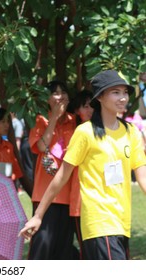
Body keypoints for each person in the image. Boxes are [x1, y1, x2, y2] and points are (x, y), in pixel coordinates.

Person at [20, 70, 146, 260]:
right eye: (115, 92)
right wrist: (38, 215)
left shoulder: (132, 133)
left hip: (122, 222)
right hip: (98, 222)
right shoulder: (85, 133)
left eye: (125, 92)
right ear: (100, 97)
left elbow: (142, 176)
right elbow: (61, 176)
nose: (122, 98)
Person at [27, 80, 77, 259]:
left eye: (63, 92)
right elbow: (41, 146)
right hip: (44, 196)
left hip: (69, 196)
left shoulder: (75, 121)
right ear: (47, 99)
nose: (60, 96)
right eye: (55, 93)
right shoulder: (40, 120)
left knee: (63, 249)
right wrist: (54, 118)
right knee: (42, 247)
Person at [67, 89, 94, 259]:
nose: (90, 110)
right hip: (79, 200)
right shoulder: (73, 133)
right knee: (87, 251)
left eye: (93, 106)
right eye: (86, 106)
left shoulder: (104, 130)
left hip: (102, 203)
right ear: (77, 110)